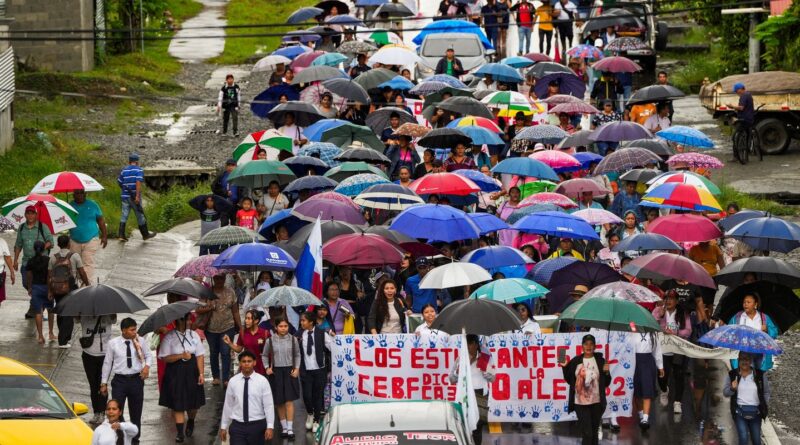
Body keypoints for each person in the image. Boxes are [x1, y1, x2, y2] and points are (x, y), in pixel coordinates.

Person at [100, 317, 153, 445]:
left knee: (136, 412)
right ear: (124, 330)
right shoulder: (113, 343)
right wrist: (104, 382)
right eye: (132, 330)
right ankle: (121, 436)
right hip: (120, 381)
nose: (135, 332)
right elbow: (107, 363)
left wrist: (146, 366)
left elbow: (148, 355)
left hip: (136, 380)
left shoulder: (140, 341)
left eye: (135, 329)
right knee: (117, 411)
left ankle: (135, 440)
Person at [158, 314, 205, 443]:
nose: (188, 322)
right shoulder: (169, 336)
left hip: (192, 371)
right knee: (178, 404)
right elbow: (164, 357)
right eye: (184, 320)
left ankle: (191, 420)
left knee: (193, 405)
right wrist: (180, 356)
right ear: (177, 321)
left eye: (189, 319)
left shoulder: (194, 335)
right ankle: (180, 433)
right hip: (175, 372)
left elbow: (200, 355)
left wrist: (201, 374)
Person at [561, 334, 610, 445]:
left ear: (595, 346)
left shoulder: (601, 361)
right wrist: (564, 367)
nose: (588, 346)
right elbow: (570, 380)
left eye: (591, 344)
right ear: (582, 346)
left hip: (597, 403)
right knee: (587, 433)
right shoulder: (575, 361)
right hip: (580, 404)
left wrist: (606, 372)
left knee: (594, 433)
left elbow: (606, 383)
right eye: (586, 344)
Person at [220, 351, 275, 445]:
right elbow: (228, 405)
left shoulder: (262, 381)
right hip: (237, 426)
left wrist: (270, 426)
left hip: (257, 425)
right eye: (243, 361)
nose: (246, 364)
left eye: (249, 361)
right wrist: (223, 427)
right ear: (240, 363)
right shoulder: (233, 382)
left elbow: (268, 405)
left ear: (254, 362)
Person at [448, 334, 495, 445]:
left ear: (476, 344)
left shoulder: (485, 358)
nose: (468, 346)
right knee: (463, 424)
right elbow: (451, 379)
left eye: (470, 343)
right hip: (464, 395)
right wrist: (458, 373)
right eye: (466, 344)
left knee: (478, 426)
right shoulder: (460, 359)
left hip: (479, 394)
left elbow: (493, 378)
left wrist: (484, 370)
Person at [652, 290, 692, 415]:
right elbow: (651, 325)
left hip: (678, 349)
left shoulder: (682, 313)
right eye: (666, 298)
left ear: (677, 301)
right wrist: (660, 317)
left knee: (679, 375)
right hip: (662, 349)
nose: (668, 301)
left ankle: (677, 402)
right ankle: (664, 391)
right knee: (662, 375)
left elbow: (688, 330)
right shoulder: (658, 311)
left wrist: (675, 333)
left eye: (671, 298)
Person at [199, 273, 241, 386]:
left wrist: (241, 327)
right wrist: (209, 307)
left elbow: (235, 311)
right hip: (211, 328)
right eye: (216, 278)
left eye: (221, 278)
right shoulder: (207, 292)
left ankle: (226, 378)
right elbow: (198, 309)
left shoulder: (231, 292)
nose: (219, 280)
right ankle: (216, 376)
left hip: (228, 327)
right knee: (213, 352)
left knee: (225, 352)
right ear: (213, 278)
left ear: (225, 278)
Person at [262, 317, 301, 440]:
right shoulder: (270, 341)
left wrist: (297, 369)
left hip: (290, 371)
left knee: (289, 400)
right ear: (276, 327)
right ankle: (284, 427)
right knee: (279, 401)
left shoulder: (293, 339)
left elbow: (297, 355)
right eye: (281, 326)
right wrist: (267, 368)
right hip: (276, 372)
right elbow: (264, 355)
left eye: (285, 326)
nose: (283, 328)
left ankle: (290, 428)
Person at [49, 234, 90, 348]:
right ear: (69, 244)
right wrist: (87, 283)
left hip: (57, 288)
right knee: (68, 313)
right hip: (70, 288)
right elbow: (82, 272)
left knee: (60, 310)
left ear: (58, 244)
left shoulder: (53, 257)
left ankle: (62, 336)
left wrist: (50, 291)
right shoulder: (74, 256)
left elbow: (49, 276)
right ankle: (63, 340)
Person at [13, 205, 53, 318]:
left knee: (41, 285)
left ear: (36, 215)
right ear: (25, 215)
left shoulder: (42, 227)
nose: (30, 215)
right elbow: (18, 245)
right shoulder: (21, 228)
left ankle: (36, 306)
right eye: (28, 213)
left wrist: (42, 248)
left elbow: (51, 241)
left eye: (32, 213)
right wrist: (15, 260)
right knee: (26, 283)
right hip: (26, 262)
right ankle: (36, 303)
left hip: (41, 262)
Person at [723, 351, 770, 445]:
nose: (744, 362)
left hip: (756, 413)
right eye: (741, 359)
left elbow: (766, 392)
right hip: (739, 413)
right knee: (743, 438)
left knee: (756, 440)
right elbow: (725, 393)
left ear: (751, 360)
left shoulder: (760, 375)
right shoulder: (732, 375)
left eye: (747, 359)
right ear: (738, 360)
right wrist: (732, 388)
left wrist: (763, 405)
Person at [724, 293, 779, 372]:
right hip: (743, 351)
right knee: (744, 373)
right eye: (744, 302)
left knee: (758, 374)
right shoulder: (737, 317)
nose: (745, 304)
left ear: (755, 304)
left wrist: (767, 330)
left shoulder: (763, 317)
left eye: (748, 302)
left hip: (760, 350)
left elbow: (774, 333)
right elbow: (729, 332)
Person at [298, 311, 333, 433]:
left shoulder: (321, 333)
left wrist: (333, 336)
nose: (301, 323)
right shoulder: (299, 334)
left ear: (311, 322)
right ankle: (310, 413)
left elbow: (332, 346)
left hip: (319, 369)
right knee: (307, 395)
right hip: (306, 370)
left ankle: (317, 420)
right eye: (301, 320)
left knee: (317, 396)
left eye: (304, 320)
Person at [68, 189, 107, 282]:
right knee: (75, 263)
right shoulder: (70, 206)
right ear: (73, 195)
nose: (80, 195)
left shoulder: (93, 205)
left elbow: (100, 220)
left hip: (91, 238)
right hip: (74, 240)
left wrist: (104, 236)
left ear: (85, 194)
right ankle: (78, 283)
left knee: (88, 263)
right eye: (77, 193)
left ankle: (86, 284)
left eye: (82, 193)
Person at [117, 153, 156, 242]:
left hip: (124, 196)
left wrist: (125, 190)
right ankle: (145, 234)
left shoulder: (124, 170)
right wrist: (137, 196)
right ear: (137, 162)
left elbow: (119, 182)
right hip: (134, 197)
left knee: (124, 215)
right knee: (140, 215)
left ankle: (121, 235)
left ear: (129, 161)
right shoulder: (139, 170)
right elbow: (138, 182)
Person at [631, 331, 664, 430]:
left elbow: (657, 351)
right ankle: (641, 415)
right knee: (636, 392)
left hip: (648, 362)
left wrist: (660, 366)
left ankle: (645, 418)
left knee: (647, 388)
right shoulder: (630, 332)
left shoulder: (653, 334)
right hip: (634, 361)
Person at [224, 309, 270, 375]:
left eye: (249, 319)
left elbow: (270, 353)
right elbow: (238, 349)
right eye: (246, 318)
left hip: (262, 367)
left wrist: (268, 367)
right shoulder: (243, 333)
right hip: (248, 367)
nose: (246, 321)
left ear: (256, 321)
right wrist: (229, 342)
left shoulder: (265, 333)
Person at [26, 241, 55, 345]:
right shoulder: (49, 260)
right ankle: (51, 333)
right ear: (44, 249)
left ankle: (40, 336)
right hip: (47, 287)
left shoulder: (30, 261)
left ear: (34, 249)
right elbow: (51, 275)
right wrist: (51, 289)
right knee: (50, 310)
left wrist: (30, 288)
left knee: (38, 312)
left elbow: (29, 276)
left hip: (36, 288)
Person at [729, 82, 755, 155]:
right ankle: (747, 150)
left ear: (741, 89)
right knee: (747, 135)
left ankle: (736, 156)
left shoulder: (744, 96)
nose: (736, 92)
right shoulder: (748, 94)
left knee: (734, 137)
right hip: (749, 119)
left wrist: (732, 106)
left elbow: (741, 107)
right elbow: (745, 108)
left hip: (744, 120)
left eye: (737, 90)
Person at [0, 235, 13, 308]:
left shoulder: (2, 242)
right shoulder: (2, 242)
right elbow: (7, 257)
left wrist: (12, 272)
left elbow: (8, 257)